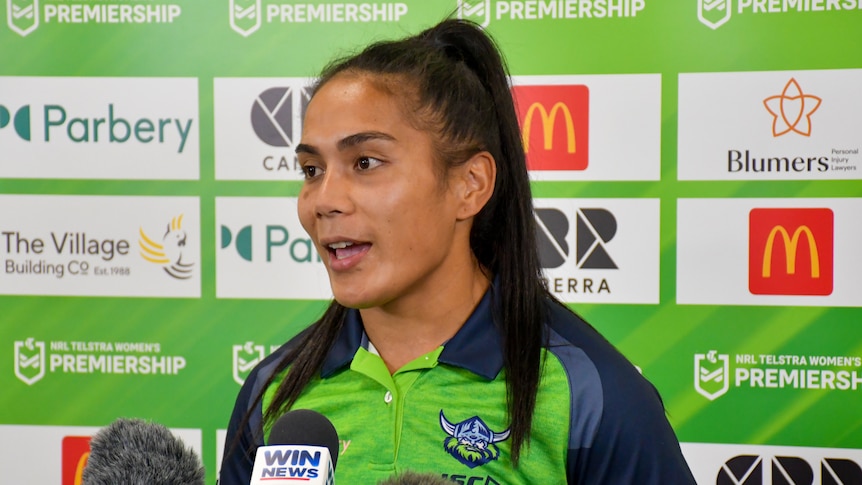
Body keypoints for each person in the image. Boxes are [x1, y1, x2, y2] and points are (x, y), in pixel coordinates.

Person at [220, 18, 696, 484]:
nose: (324, 200)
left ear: (470, 185)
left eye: (365, 162)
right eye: (311, 169)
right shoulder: (275, 392)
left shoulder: (592, 395)